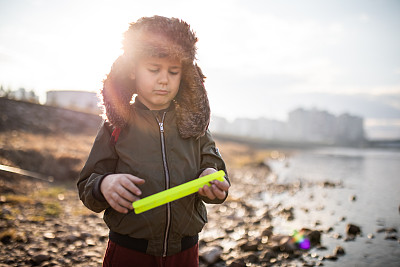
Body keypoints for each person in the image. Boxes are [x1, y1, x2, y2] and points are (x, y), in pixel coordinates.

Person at [77, 16, 230, 267]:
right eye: (154, 69)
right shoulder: (117, 126)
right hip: (129, 250)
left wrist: (213, 177)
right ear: (133, 71)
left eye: (173, 71)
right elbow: (87, 184)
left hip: (185, 250)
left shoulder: (194, 125)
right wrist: (104, 184)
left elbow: (216, 167)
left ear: (185, 76)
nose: (163, 79)